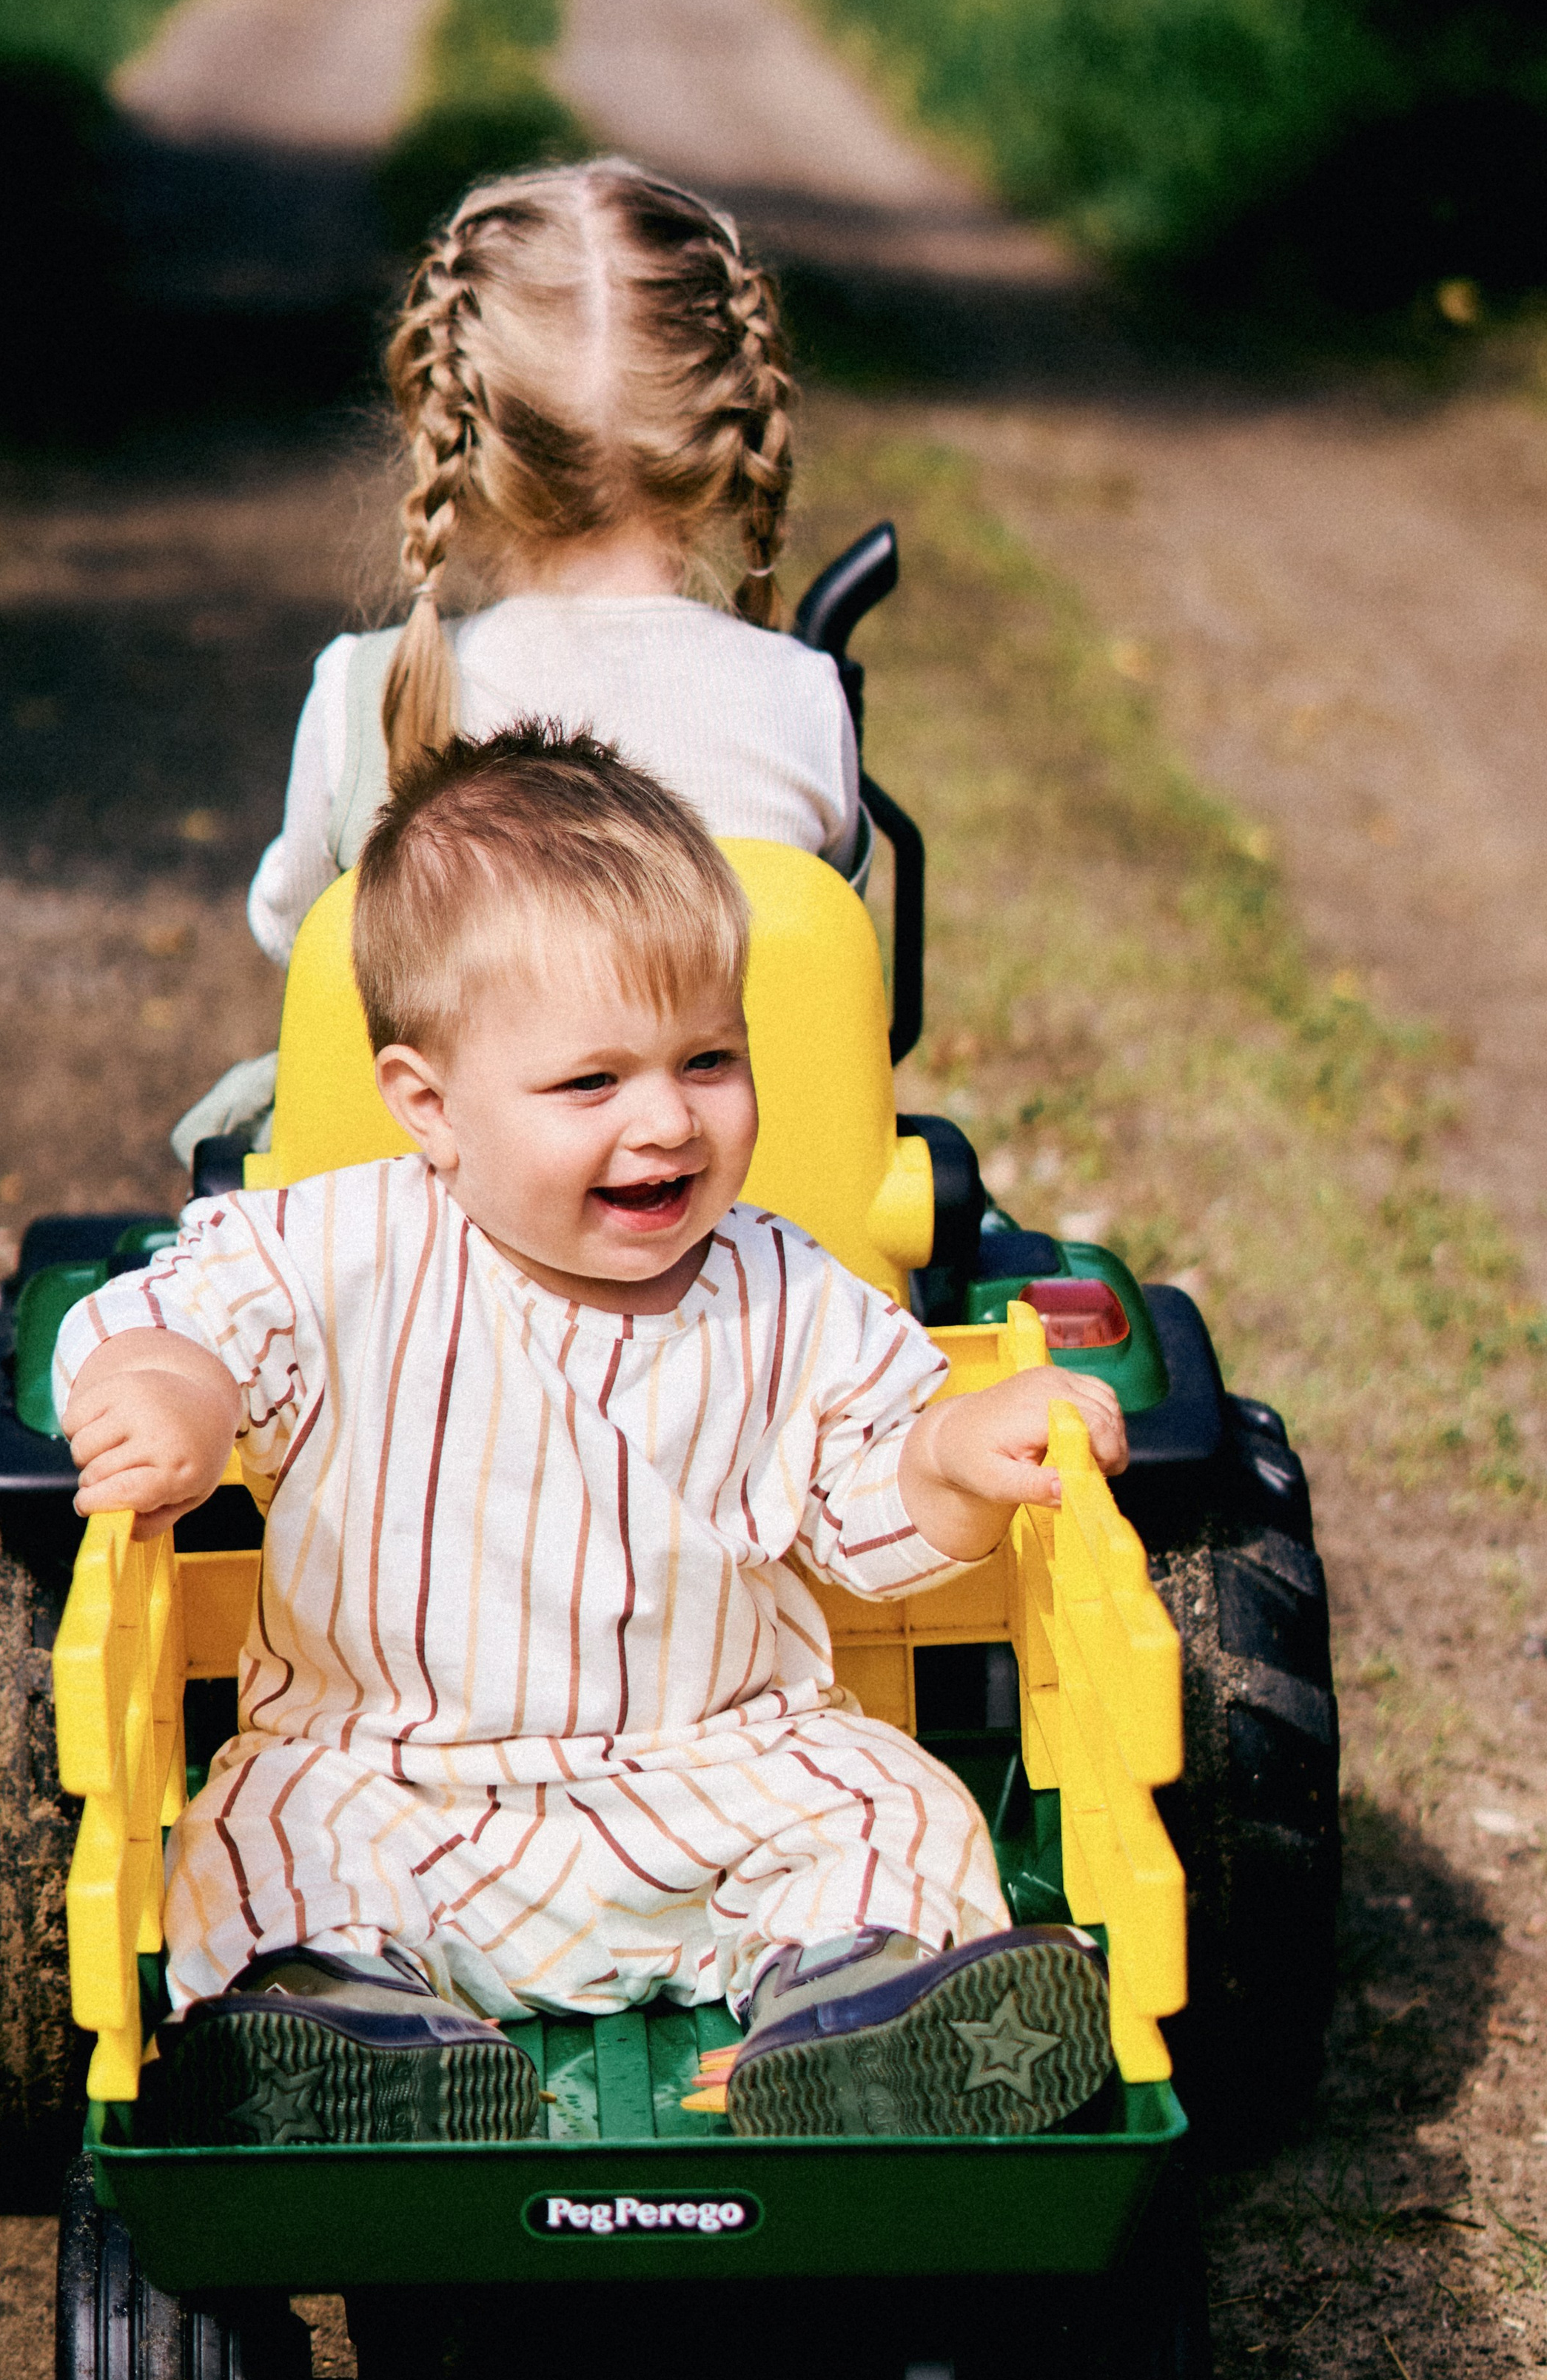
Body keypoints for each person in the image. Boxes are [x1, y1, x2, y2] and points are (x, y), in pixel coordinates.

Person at [61, 726, 1122, 2145]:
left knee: (894, 1804)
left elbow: (869, 1500)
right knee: (262, 1840)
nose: (668, 1122)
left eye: (710, 1060)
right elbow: (177, 1313)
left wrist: (956, 1455)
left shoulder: (784, 1286)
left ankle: (856, 2019)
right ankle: (358, 2036)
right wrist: (173, 1393)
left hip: (720, 1762)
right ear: (427, 1106)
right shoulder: (344, 1249)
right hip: (394, 1770)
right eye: (592, 1085)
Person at [172, 155, 867, 1167]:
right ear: (729, 426)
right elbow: (824, 972)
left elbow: (303, 942)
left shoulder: (364, 696)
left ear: (452, 430)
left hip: (415, 1255)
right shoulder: (803, 697)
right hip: (734, 1229)